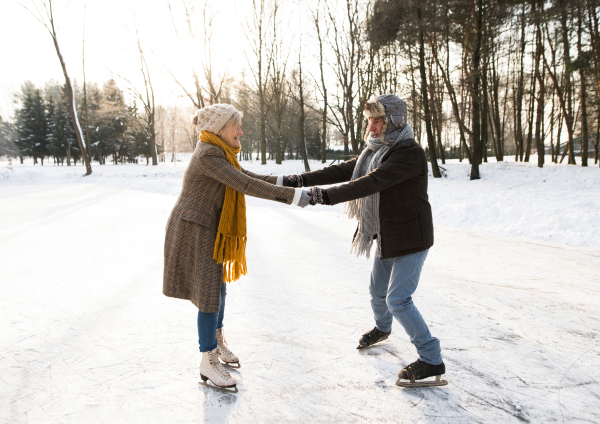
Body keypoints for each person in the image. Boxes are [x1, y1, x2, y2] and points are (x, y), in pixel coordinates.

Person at [279, 94, 446, 387]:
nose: (371, 127)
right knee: (376, 291)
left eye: (377, 121)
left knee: (398, 299)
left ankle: (431, 358)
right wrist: (298, 180)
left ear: (393, 121)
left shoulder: (408, 153)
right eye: (369, 121)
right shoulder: (376, 150)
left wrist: (322, 196)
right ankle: (383, 329)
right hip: (388, 233)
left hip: (412, 237)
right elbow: (344, 170)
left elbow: (371, 182)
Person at [163, 104, 309, 389]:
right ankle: (207, 359)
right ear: (220, 130)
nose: (241, 132)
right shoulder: (208, 155)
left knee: (218, 289)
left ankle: (216, 342)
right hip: (195, 227)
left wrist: (289, 182)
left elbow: (248, 176)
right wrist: (295, 197)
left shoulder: (220, 152)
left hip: (209, 227)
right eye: (236, 126)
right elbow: (245, 184)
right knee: (208, 294)